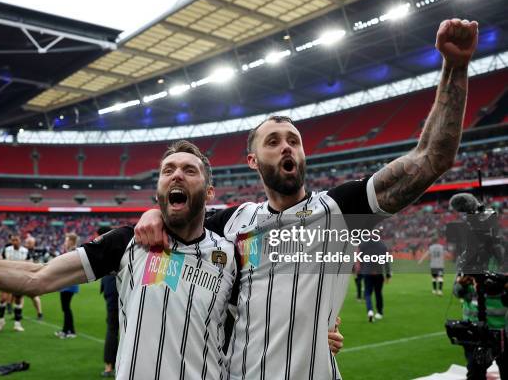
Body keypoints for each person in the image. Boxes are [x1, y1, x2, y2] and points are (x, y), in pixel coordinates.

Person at [133, 19, 478, 379]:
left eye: (293, 140)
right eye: (273, 141)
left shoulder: (338, 211)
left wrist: (455, 68)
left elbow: (431, 159)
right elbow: (182, 218)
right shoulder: (235, 221)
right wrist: (152, 215)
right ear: (252, 161)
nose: (286, 146)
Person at [0, 141, 238, 379]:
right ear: (157, 190)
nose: (176, 175)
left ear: (209, 193)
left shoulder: (230, 256)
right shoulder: (127, 243)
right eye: (168, 170)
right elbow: (37, 277)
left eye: (189, 170)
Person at [453, 274, 507, 379]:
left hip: (502, 331)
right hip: (475, 330)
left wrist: (501, 281)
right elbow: (457, 291)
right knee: (475, 373)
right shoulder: (468, 260)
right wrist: (462, 282)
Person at [96, 226, 119, 378]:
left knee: (112, 329)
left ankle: (109, 366)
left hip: (113, 291)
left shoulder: (106, 248)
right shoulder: (120, 244)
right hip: (123, 292)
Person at [0, 234, 28, 332]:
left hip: (20, 279)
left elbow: (30, 264)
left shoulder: (25, 251)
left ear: (20, 241)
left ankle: (17, 324)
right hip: (7, 277)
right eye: (13, 240)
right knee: (3, 298)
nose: (14, 242)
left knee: (18, 300)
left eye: (16, 240)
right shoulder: (7, 250)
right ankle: (1, 321)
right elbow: (1, 261)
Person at [359, 238, 391, 322]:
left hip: (367, 271)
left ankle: (370, 310)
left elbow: (361, 259)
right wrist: (388, 274)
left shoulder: (363, 245)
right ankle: (379, 312)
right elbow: (386, 261)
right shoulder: (382, 245)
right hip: (378, 272)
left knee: (367, 293)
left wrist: (363, 269)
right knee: (378, 293)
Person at [55, 233, 80, 339]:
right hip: (67, 283)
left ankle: (69, 331)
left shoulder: (74, 251)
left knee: (66, 308)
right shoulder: (71, 251)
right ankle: (67, 330)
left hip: (69, 283)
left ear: (71, 241)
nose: (65, 243)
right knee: (65, 308)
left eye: (66, 240)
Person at [24, 234, 44, 319]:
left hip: (33, 276)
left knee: (34, 296)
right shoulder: (24, 251)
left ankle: (40, 313)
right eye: (27, 242)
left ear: (33, 243)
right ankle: (17, 314)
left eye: (29, 242)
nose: (27, 244)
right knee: (18, 295)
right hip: (25, 275)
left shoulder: (36, 251)